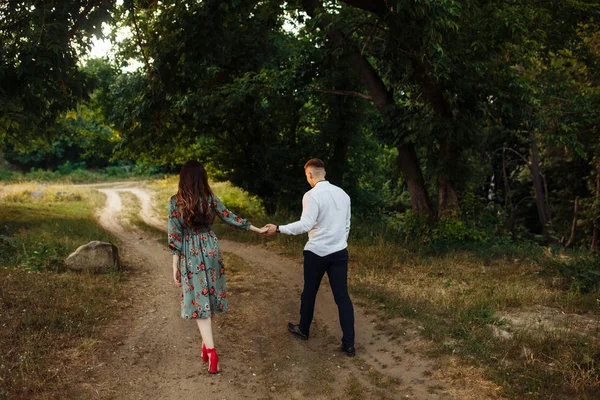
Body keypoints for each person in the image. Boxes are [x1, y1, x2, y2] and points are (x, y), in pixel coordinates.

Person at [168, 160, 267, 374]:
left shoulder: (176, 202)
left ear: (183, 178)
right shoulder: (211, 199)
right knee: (208, 297)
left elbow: (175, 235)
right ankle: (206, 345)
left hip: (190, 252)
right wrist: (256, 229)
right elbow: (231, 218)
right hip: (211, 248)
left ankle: (212, 353)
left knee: (199, 300)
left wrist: (175, 264)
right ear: (202, 178)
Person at [263, 158, 356, 356]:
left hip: (317, 252)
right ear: (324, 172)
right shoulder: (343, 195)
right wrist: (339, 241)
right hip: (339, 252)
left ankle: (303, 329)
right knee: (342, 297)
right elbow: (347, 224)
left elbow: (305, 225)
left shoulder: (312, 195)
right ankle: (349, 343)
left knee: (310, 292)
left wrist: (278, 229)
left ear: (310, 174)